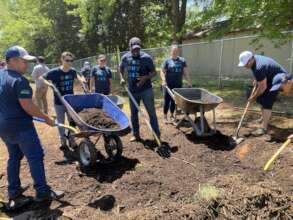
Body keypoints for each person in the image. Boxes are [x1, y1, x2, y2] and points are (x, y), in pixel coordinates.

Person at [0, 46, 63, 208]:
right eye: (24, 62)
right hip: (21, 127)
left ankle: (14, 191)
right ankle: (42, 192)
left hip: (4, 127)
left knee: (14, 157)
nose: (26, 65)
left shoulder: (1, 76)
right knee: (35, 156)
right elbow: (28, 106)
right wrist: (46, 118)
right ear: (12, 61)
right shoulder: (20, 81)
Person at [238, 51, 289, 136]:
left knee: (267, 103)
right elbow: (258, 72)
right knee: (262, 100)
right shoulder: (254, 59)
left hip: (278, 80)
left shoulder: (259, 67)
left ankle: (264, 128)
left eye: (246, 64)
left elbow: (262, 87)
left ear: (251, 59)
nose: (244, 66)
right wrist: (256, 79)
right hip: (269, 78)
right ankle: (264, 118)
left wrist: (253, 97)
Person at [42, 51, 86, 151]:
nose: (69, 62)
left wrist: (81, 80)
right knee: (61, 123)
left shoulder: (72, 71)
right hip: (59, 102)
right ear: (62, 60)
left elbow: (79, 75)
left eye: (71, 60)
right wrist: (49, 84)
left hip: (70, 101)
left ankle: (72, 140)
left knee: (72, 122)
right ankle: (63, 141)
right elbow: (42, 78)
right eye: (67, 60)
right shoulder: (55, 72)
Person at [120, 37, 160, 142]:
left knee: (151, 113)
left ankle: (156, 136)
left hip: (146, 90)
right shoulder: (125, 58)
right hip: (132, 91)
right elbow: (121, 69)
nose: (136, 51)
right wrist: (122, 78)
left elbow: (154, 72)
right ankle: (136, 135)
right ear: (129, 48)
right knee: (133, 114)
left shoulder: (147, 58)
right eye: (133, 49)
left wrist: (145, 77)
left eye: (138, 49)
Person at [160, 45, 192, 124]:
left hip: (178, 85)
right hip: (168, 85)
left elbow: (186, 72)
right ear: (171, 51)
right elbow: (162, 71)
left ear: (178, 51)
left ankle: (171, 115)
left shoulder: (182, 60)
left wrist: (189, 82)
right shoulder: (167, 61)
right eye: (173, 51)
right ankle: (165, 116)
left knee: (174, 101)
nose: (175, 52)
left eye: (176, 51)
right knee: (167, 100)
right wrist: (164, 80)